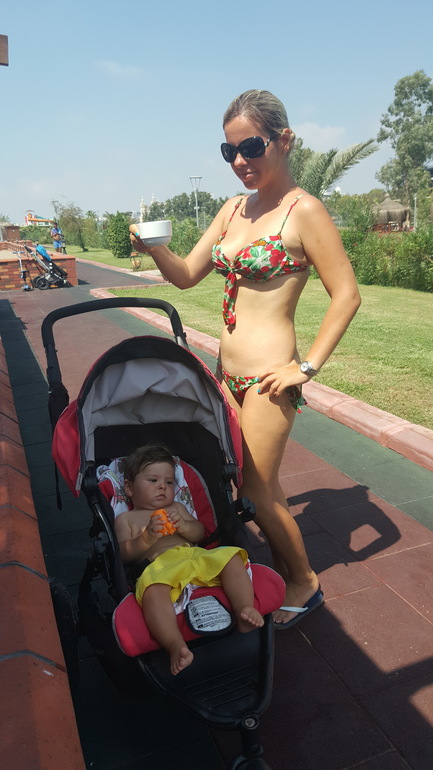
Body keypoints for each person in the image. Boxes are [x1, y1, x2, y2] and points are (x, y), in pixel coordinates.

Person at [129, 90, 361, 629]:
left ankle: (305, 581)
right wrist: (154, 248)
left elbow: (347, 295)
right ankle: (282, 567)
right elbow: (187, 275)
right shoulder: (233, 209)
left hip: (269, 377)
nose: (239, 161)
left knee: (254, 488)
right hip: (226, 372)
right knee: (256, 484)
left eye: (251, 147)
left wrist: (306, 367)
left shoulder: (304, 211)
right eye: (228, 151)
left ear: (284, 140)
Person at [114, 444, 264, 675]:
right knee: (152, 591)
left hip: (193, 557)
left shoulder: (177, 507)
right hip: (160, 567)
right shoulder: (127, 519)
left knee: (231, 557)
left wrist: (184, 525)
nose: (163, 486)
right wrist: (145, 538)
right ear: (129, 488)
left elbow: (200, 533)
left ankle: (244, 609)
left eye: (169, 482)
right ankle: (175, 645)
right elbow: (124, 554)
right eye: (153, 480)